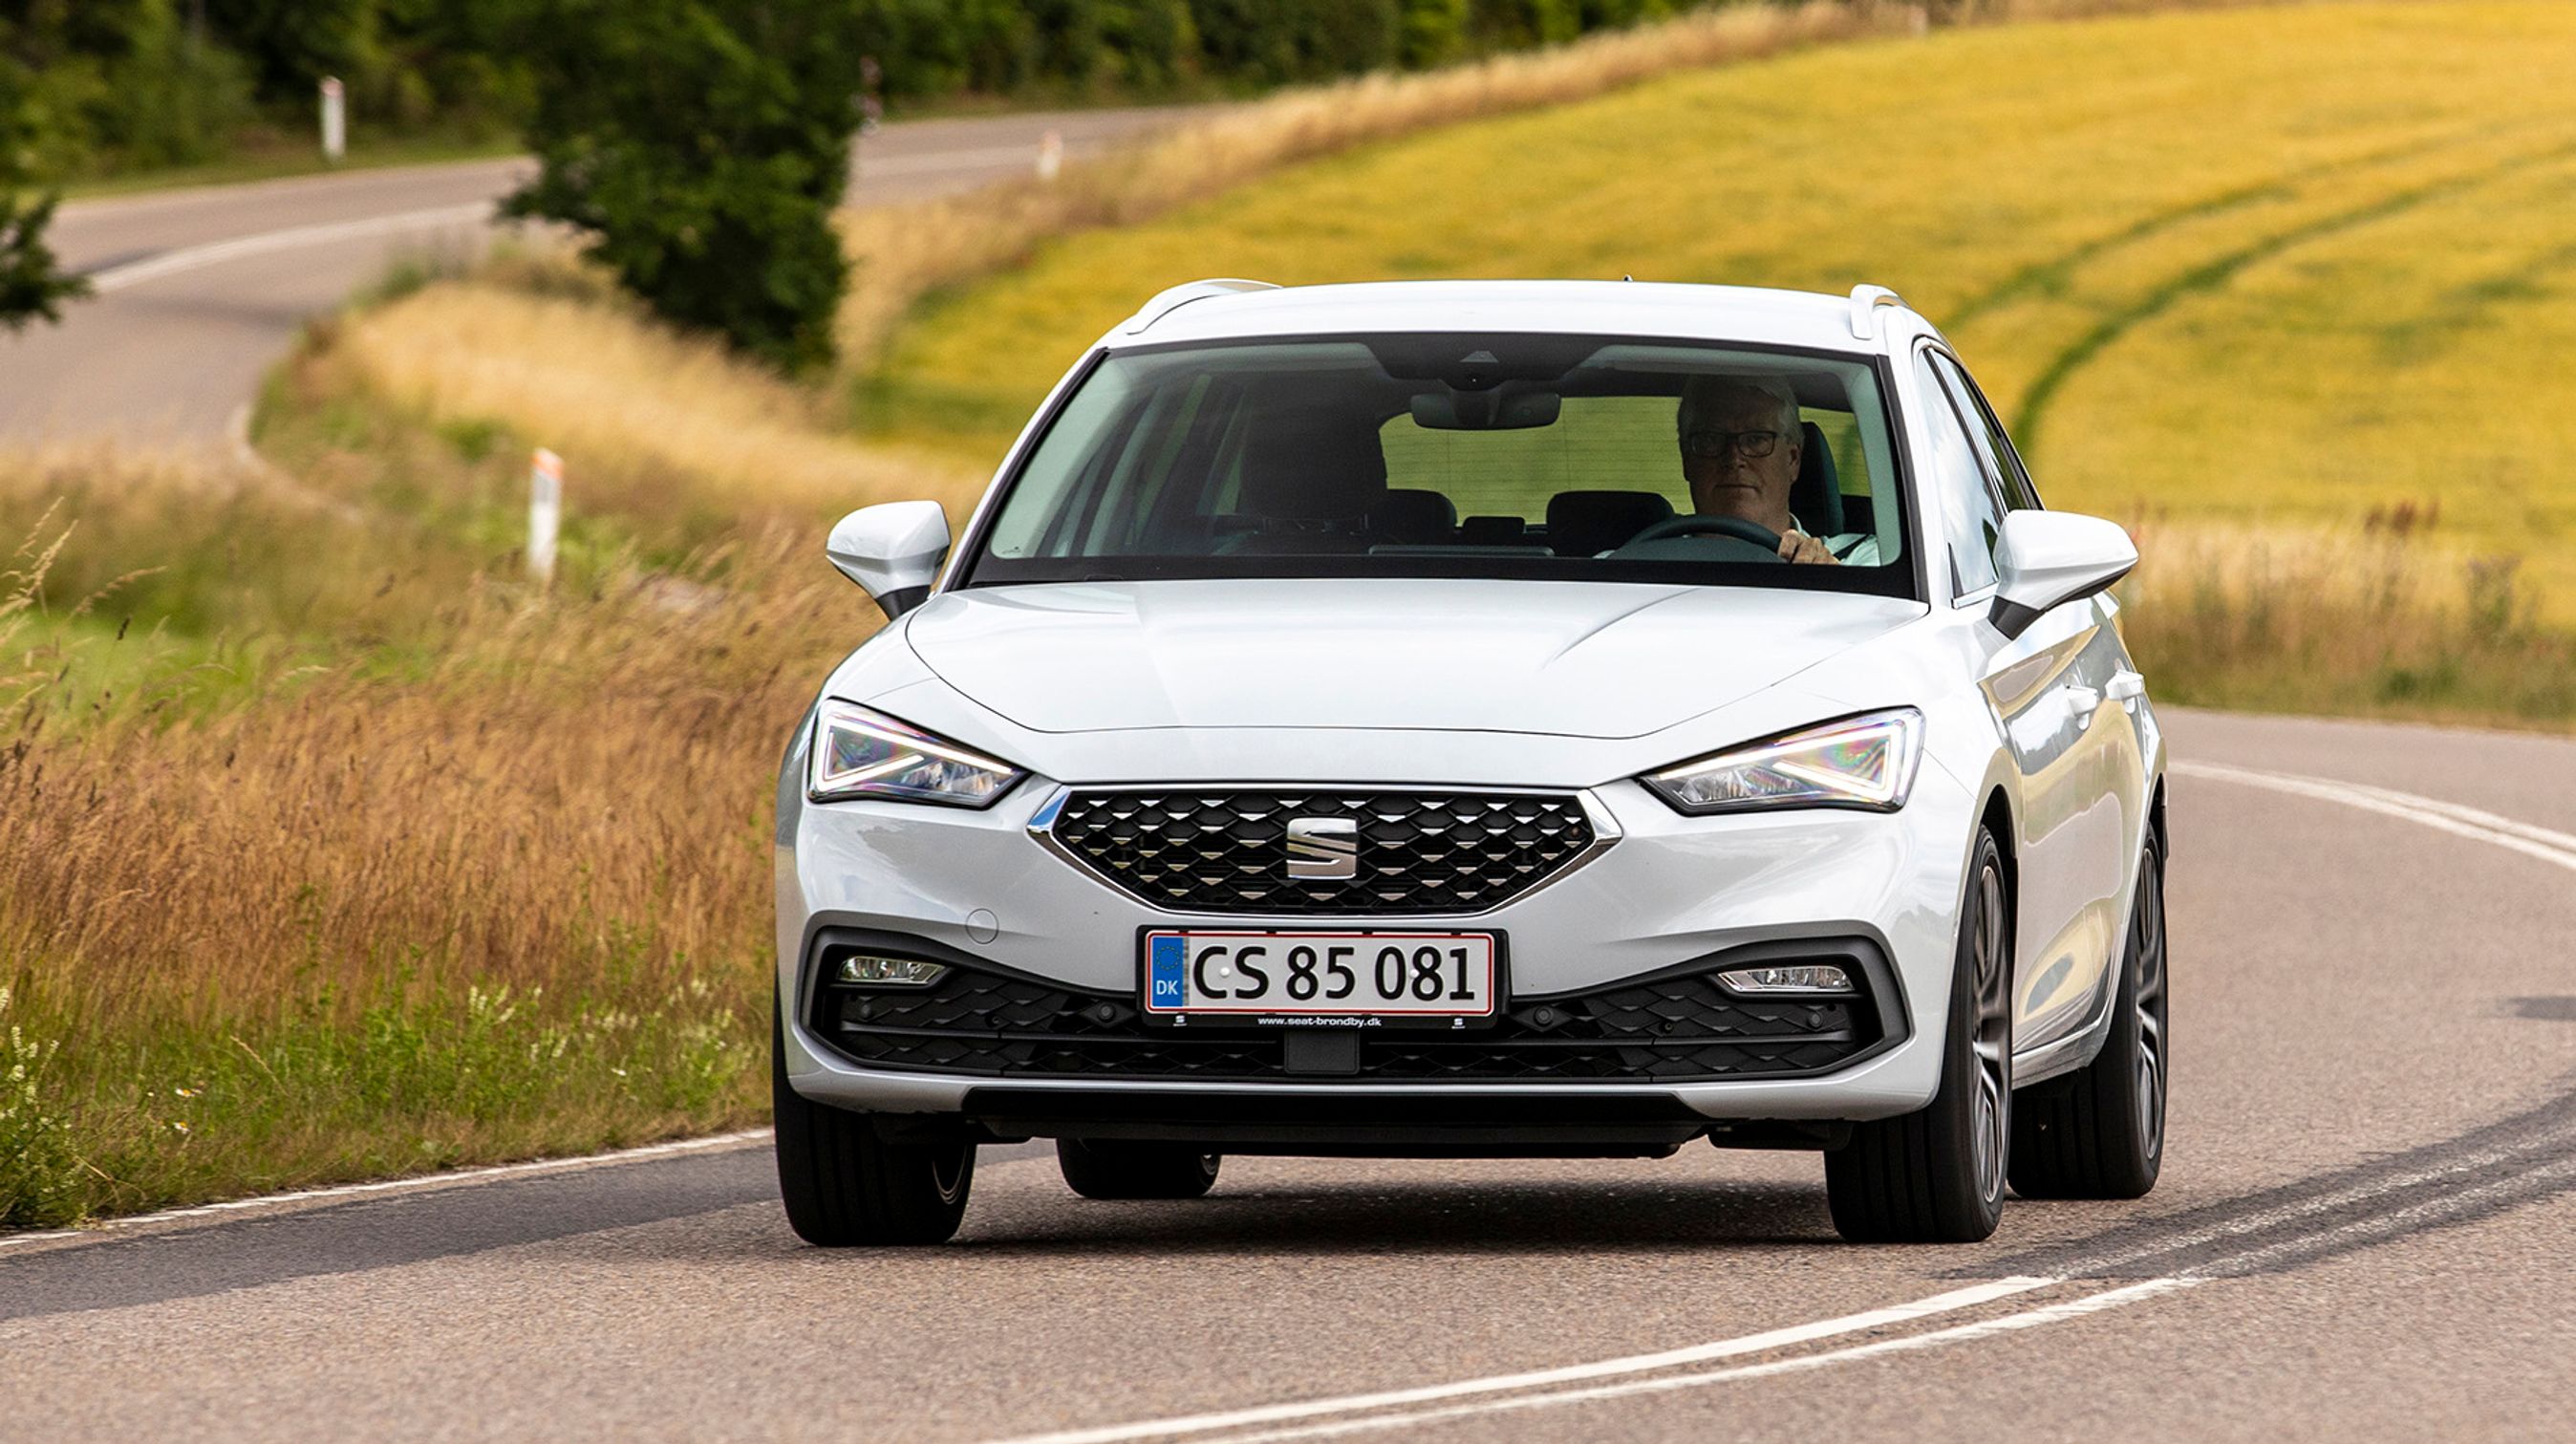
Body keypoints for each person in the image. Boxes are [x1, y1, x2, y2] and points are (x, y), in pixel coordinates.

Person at [1675, 375, 1877, 565]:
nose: (1734, 458)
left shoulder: (1862, 560)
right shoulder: (1655, 562)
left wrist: (1830, 580)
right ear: (1686, 460)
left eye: (1756, 439)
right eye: (1711, 439)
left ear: (1793, 460)